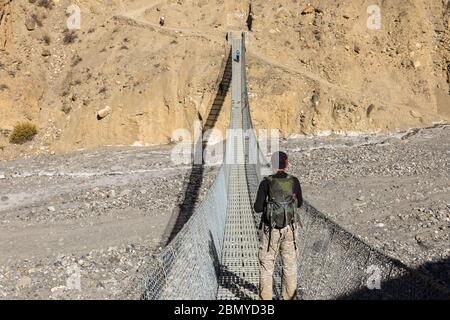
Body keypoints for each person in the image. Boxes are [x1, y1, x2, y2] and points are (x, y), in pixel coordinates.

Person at [254, 151, 303, 300]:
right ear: (286, 163)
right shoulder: (294, 181)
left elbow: (257, 208)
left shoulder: (266, 182)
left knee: (267, 266)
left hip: (271, 230)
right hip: (290, 228)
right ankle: (288, 297)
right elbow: (299, 203)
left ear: (273, 163)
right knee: (290, 265)